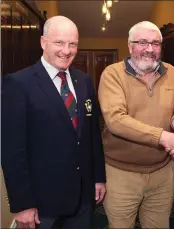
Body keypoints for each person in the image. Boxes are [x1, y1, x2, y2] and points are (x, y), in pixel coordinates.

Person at [1, 16, 106, 229]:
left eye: (73, 44)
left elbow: (92, 135)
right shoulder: (18, 84)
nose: (66, 50)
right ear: (43, 42)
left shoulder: (84, 81)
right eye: (59, 42)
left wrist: (98, 178)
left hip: (82, 198)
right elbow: (12, 151)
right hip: (42, 205)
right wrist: (22, 204)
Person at [98, 21, 174, 229]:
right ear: (130, 46)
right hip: (121, 174)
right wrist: (162, 137)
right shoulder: (112, 74)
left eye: (155, 43)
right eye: (142, 43)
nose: (150, 49)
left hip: (163, 173)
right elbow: (116, 120)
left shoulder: (171, 72)